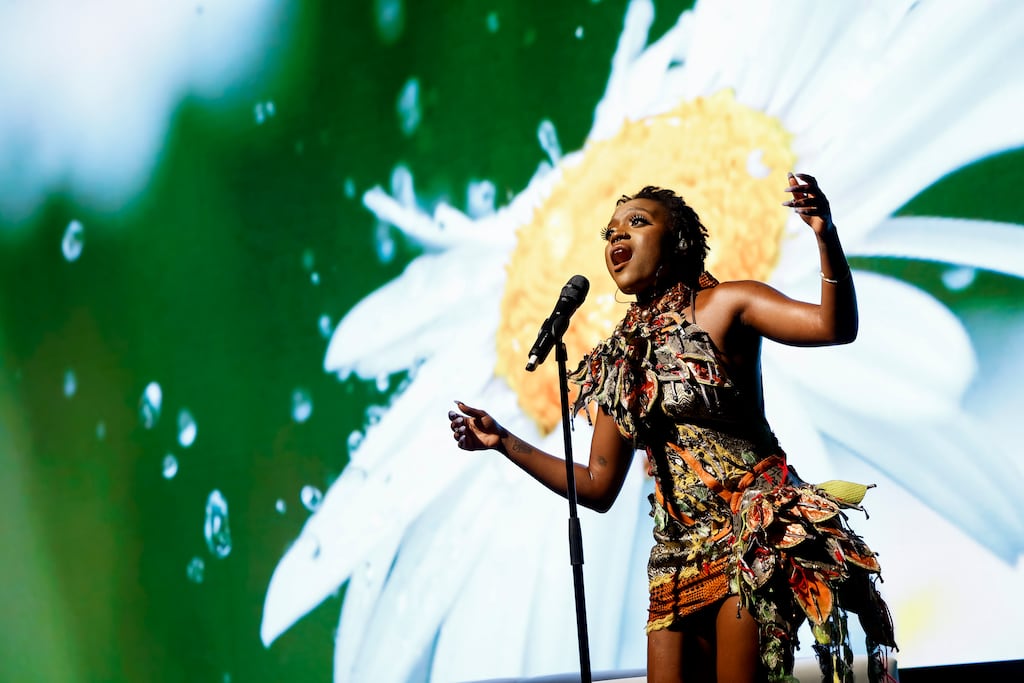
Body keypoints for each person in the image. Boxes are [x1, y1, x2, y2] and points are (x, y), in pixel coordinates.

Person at [448, 173, 896, 682]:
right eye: (610, 232)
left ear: (678, 240)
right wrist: (505, 442)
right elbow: (596, 486)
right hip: (675, 559)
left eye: (636, 223)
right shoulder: (618, 361)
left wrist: (826, 235)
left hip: (748, 537)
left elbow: (833, 327)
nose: (617, 236)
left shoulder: (726, 304)